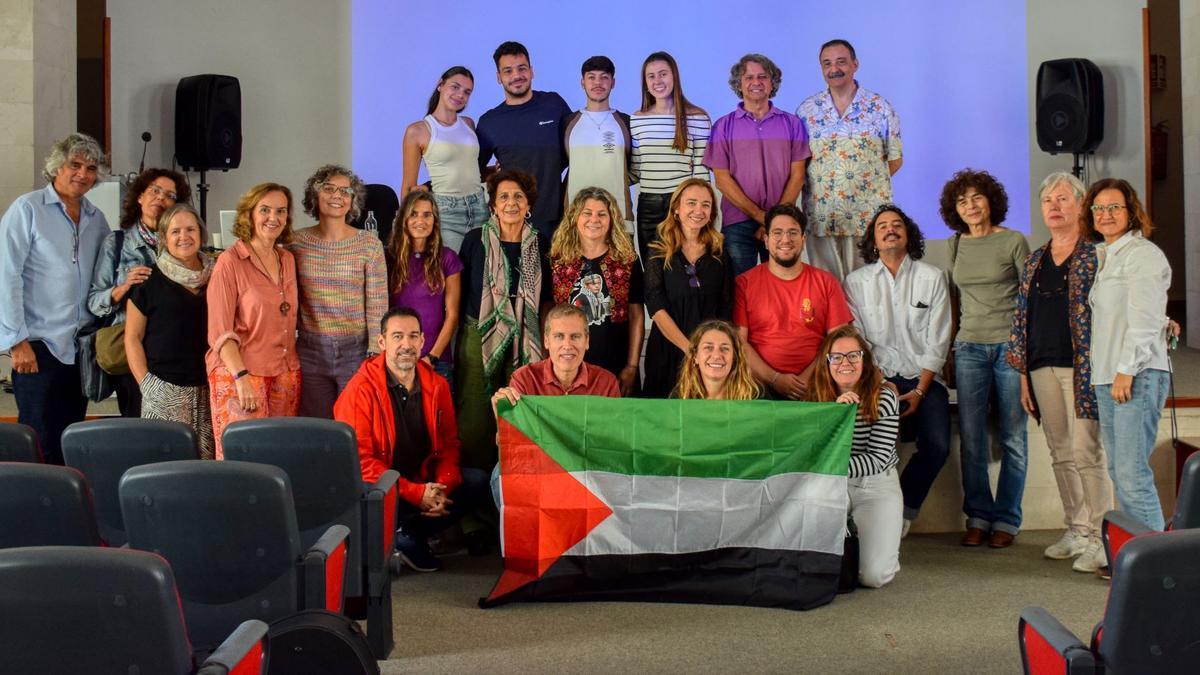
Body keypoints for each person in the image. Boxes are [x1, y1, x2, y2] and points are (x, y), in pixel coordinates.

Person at [1007, 171, 1112, 572]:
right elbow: (1021, 319)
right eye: (1048, 200)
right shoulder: (1035, 259)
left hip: (1083, 369)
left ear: (1081, 206)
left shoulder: (1096, 254)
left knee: (1087, 452)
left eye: (1063, 198)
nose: (1054, 205)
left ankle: (1103, 537)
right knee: (1061, 452)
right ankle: (1078, 529)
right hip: (1040, 366)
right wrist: (1021, 376)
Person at [334, 306, 488, 572]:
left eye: (413, 336)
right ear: (382, 342)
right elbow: (359, 463)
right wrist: (417, 494)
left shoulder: (437, 385)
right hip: (381, 488)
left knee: (477, 481)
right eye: (397, 336)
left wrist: (441, 488)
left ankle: (408, 535)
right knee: (368, 491)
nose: (406, 344)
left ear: (422, 341)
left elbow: (449, 444)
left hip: (420, 481)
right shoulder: (359, 390)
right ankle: (393, 535)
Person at [0, 133, 110, 465]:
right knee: (35, 442)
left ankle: (63, 511)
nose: (83, 174)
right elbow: (6, 276)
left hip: (80, 349)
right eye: (74, 165)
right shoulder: (27, 209)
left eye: (90, 168)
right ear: (55, 168)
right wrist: (16, 341)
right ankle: (29, 513)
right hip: (38, 347)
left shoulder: (97, 219)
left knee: (68, 441)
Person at [843, 204, 951, 538]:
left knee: (937, 446)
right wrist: (879, 382)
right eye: (882, 226)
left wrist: (919, 389)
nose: (890, 229)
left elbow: (940, 338)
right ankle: (868, 515)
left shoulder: (931, 277)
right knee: (876, 448)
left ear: (908, 235)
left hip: (924, 378)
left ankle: (903, 509)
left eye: (897, 225)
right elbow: (857, 339)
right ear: (873, 240)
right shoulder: (855, 282)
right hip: (876, 380)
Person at [941, 168, 1030, 548]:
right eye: (962, 200)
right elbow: (956, 300)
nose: (970, 205)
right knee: (973, 439)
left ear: (991, 200)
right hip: (970, 348)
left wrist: (1024, 352)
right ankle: (978, 515)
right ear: (954, 209)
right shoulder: (956, 244)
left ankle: (1007, 520)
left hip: (1009, 348)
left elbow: (1028, 301)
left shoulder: (1013, 241)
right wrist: (950, 347)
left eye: (977, 197)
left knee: (1013, 437)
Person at [1084, 178, 1172, 532]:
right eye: (1098, 208)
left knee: (1133, 474)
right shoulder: (1108, 255)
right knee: (1119, 471)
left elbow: (1145, 319)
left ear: (1131, 212)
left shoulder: (1143, 255)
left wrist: (1126, 370)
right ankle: (1135, 557)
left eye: (1114, 207)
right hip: (1108, 375)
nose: (1106, 214)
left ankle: (1161, 568)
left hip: (1135, 375)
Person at [456, 168, 552, 474]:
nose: (511, 203)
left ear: (529, 205)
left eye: (518, 197)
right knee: (474, 411)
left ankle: (510, 488)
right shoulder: (475, 240)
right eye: (504, 197)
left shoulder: (541, 243)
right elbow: (460, 296)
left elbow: (546, 296)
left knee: (517, 407)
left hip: (526, 332)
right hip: (479, 332)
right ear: (493, 205)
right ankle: (474, 501)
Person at [206, 183, 301, 460]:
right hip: (242, 373)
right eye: (265, 210)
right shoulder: (230, 262)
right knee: (243, 460)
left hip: (285, 371)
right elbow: (220, 331)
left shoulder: (287, 259)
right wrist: (241, 377)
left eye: (281, 211)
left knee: (280, 457)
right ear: (249, 214)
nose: (273, 218)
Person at [490, 303, 621, 504]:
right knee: (501, 473)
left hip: (587, 468)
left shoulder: (606, 382)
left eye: (575, 337)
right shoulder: (524, 378)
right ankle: (522, 534)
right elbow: (509, 446)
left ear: (587, 341)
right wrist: (501, 416)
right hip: (539, 467)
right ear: (546, 341)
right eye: (559, 336)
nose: (567, 345)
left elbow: (613, 446)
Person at [798, 39, 903, 282]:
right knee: (827, 290)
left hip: (866, 219)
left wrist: (860, 186)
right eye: (827, 63)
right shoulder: (806, 111)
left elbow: (894, 160)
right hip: (822, 218)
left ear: (855, 64)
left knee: (869, 291)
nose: (834, 68)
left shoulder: (880, 108)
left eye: (841, 62)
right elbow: (799, 164)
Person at [88, 168, 190, 417]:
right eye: (154, 191)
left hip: (174, 355)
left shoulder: (183, 243)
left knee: (175, 435)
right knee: (138, 432)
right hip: (132, 354)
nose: (160, 198)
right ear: (140, 197)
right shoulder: (117, 243)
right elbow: (94, 301)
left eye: (170, 195)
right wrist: (123, 287)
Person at [806, 325, 902, 589]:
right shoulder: (816, 397)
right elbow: (810, 450)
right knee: (818, 568)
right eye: (836, 357)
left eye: (853, 356)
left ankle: (885, 536)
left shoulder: (883, 397)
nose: (844, 363)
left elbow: (877, 458)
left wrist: (830, 466)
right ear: (826, 362)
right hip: (832, 486)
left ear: (865, 360)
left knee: (873, 577)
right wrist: (835, 417)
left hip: (875, 486)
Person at [291, 165, 387, 419]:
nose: (337, 196)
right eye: (329, 189)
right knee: (315, 428)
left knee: (355, 426)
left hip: (356, 353)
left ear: (353, 200)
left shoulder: (369, 244)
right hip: (310, 350)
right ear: (315, 195)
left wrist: (375, 354)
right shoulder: (295, 243)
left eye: (345, 191)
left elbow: (378, 304)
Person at [703, 53, 810, 276]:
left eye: (762, 77)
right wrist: (761, 216)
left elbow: (798, 176)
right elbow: (722, 180)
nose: (756, 82)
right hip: (738, 224)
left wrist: (775, 218)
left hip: (783, 223)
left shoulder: (792, 124)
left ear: (772, 83)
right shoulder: (723, 127)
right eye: (749, 77)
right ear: (739, 85)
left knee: (783, 285)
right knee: (741, 290)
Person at [735, 203, 853, 399]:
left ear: (803, 239)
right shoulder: (744, 283)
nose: (785, 239)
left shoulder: (826, 282)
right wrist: (775, 379)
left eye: (793, 233)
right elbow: (739, 342)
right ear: (766, 240)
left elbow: (839, 341)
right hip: (759, 385)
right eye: (777, 233)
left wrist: (806, 380)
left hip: (815, 382)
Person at [125, 203, 215, 458]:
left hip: (210, 388)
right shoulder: (148, 280)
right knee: (165, 465)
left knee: (207, 465)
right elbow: (132, 337)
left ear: (201, 233)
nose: (184, 237)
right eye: (175, 231)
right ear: (164, 237)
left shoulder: (218, 275)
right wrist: (147, 383)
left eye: (190, 229)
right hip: (164, 388)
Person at [642, 178, 734, 398]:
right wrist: (690, 349)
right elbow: (655, 305)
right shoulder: (658, 250)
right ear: (676, 208)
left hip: (709, 358)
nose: (698, 210)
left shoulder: (720, 252)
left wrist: (707, 353)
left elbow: (726, 306)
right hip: (667, 350)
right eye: (691, 203)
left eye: (705, 204)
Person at [549, 187, 644, 394]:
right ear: (575, 218)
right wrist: (548, 358)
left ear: (612, 220)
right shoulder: (557, 261)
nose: (595, 219)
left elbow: (636, 315)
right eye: (587, 213)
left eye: (602, 214)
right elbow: (547, 311)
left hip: (615, 364)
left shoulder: (628, 262)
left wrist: (632, 366)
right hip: (567, 364)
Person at [476, 41, 571, 240]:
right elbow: (472, 171)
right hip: (512, 224)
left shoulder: (553, 104)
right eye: (508, 71)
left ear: (531, 71)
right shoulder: (489, 122)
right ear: (498, 77)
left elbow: (575, 151)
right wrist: (495, 173)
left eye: (522, 68)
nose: (516, 76)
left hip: (558, 221)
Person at [630, 51, 711, 265]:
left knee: (684, 268)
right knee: (653, 271)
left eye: (663, 74)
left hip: (683, 206)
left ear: (674, 76)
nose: (658, 81)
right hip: (649, 205)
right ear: (645, 83)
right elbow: (636, 169)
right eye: (651, 76)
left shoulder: (698, 117)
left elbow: (702, 175)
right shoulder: (637, 120)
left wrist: (696, 208)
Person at [401, 66, 487, 254]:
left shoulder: (468, 124)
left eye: (467, 92)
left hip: (479, 206)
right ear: (440, 84)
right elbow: (408, 186)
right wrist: (406, 231)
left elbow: (467, 165)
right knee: (451, 275)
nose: (460, 95)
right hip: (446, 211)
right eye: (455, 87)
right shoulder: (418, 131)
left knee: (481, 276)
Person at [388, 191, 463, 385]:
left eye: (427, 214)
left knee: (439, 416)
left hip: (437, 361)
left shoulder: (447, 258)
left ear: (435, 220)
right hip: (396, 359)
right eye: (414, 214)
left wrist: (432, 357)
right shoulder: (388, 258)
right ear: (403, 218)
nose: (420, 220)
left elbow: (452, 315)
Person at [563, 56, 633, 230]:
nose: (598, 83)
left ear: (613, 83)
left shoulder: (626, 122)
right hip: (576, 216)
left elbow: (634, 167)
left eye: (604, 77)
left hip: (619, 216)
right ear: (582, 82)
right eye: (591, 77)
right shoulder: (568, 123)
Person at [673, 320, 761, 401]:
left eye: (724, 349)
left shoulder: (755, 395)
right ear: (695, 356)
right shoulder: (681, 395)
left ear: (734, 357)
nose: (716, 356)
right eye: (708, 347)